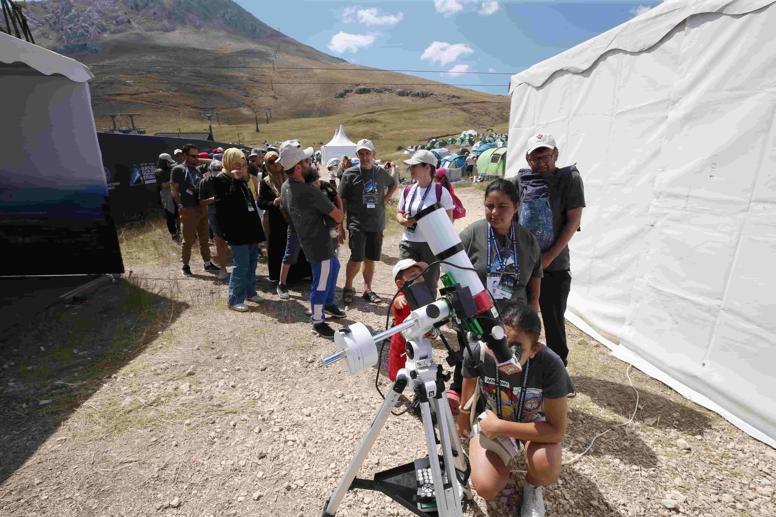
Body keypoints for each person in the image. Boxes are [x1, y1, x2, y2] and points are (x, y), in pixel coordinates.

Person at [456, 303, 574, 517]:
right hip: (493, 421)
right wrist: (464, 417)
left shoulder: (551, 365)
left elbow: (556, 431)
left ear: (535, 349)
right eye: (500, 344)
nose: (504, 354)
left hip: (529, 424)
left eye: (516, 348)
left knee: (546, 467)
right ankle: (498, 457)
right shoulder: (480, 351)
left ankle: (532, 486)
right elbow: (469, 381)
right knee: (485, 486)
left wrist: (501, 427)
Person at [513, 133, 585, 365]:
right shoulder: (518, 182)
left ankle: (557, 370)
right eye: (535, 158)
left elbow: (573, 221)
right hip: (523, 266)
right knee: (521, 318)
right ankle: (522, 363)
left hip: (555, 265)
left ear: (556, 155)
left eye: (546, 156)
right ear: (527, 158)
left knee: (554, 321)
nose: (542, 162)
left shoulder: (569, 179)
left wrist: (547, 258)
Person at [279, 140, 345, 338]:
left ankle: (328, 304)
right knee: (321, 282)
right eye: (306, 161)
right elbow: (338, 216)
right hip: (319, 244)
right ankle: (318, 321)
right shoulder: (310, 191)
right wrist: (338, 213)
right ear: (298, 167)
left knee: (333, 268)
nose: (310, 164)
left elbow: (285, 209)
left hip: (309, 239)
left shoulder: (285, 187)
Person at [338, 139, 397, 305]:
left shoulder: (379, 172)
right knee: (356, 258)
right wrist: (340, 225)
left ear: (373, 154)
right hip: (357, 223)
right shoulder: (349, 174)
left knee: (370, 258)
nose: (365, 157)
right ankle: (348, 288)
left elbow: (393, 184)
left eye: (367, 153)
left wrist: (385, 199)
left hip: (376, 223)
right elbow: (342, 201)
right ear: (357, 155)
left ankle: (367, 289)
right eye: (361, 154)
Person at [212, 148, 265, 311]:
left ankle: (250, 291)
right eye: (237, 165)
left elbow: (250, 204)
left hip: (249, 229)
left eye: (243, 165)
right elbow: (226, 204)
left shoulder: (242, 180)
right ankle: (234, 299)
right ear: (228, 163)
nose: (241, 168)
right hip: (236, 230)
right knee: (241, 264)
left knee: (251, 262)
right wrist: (235, 180)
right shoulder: (221, 180)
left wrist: (259, 232)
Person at [396, 150, 454, 293]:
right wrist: (403, 221)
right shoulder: (408, 189)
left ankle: (428, 314)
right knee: (405, 281)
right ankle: (408, 314)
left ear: (427, 167)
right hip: (408, 243)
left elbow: (449, 221)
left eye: (414, 166)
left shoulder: (441, 191)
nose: (411, 169)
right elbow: (399, 212)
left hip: (431, 245)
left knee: (428, 285)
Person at [170, 144, 220, 276]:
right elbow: (174, 190)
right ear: (185, 155)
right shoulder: (178, 170)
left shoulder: (197, 169)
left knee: (204, 238)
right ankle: (185, 265)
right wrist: (180, 206)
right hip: (188, 209)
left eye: (197, 155)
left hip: (202, 206)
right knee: (188, 240)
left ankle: (207, 263)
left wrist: (199, 159)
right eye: (193, 155)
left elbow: (215, 162)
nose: (196, 158)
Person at [387, 258, 428, 381]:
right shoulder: (402, 297)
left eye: (421, 275)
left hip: (420, 338)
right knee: (398, 369)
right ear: (400, 283)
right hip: (402, 341)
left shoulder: (423, 295)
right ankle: (396, 390)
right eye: (415, 276)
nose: (420, 278)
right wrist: (397, 301)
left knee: (421, 365)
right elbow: (397, 303)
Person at [198, 160, 230, 281]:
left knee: (236, 242)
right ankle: (223, 269)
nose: (217, 173)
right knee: (219, 241)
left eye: (219, 171)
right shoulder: (205, 182)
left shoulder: (227, 179)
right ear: (210, 171)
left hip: (230, 214)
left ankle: (241, 268)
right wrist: (214, 199)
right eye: (214, 171)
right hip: (215, 214)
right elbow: (201, 201)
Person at [155, 153, 180, 241]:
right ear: (164, 162)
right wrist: (174, 180)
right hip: (166, 196)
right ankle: (173, 233)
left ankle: (179, 230)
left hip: (174, 193)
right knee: (170, 216)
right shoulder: (159, 172)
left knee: (178, 214)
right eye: (168, 162)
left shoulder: (171, 169)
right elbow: (164, 185)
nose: (170, 164)